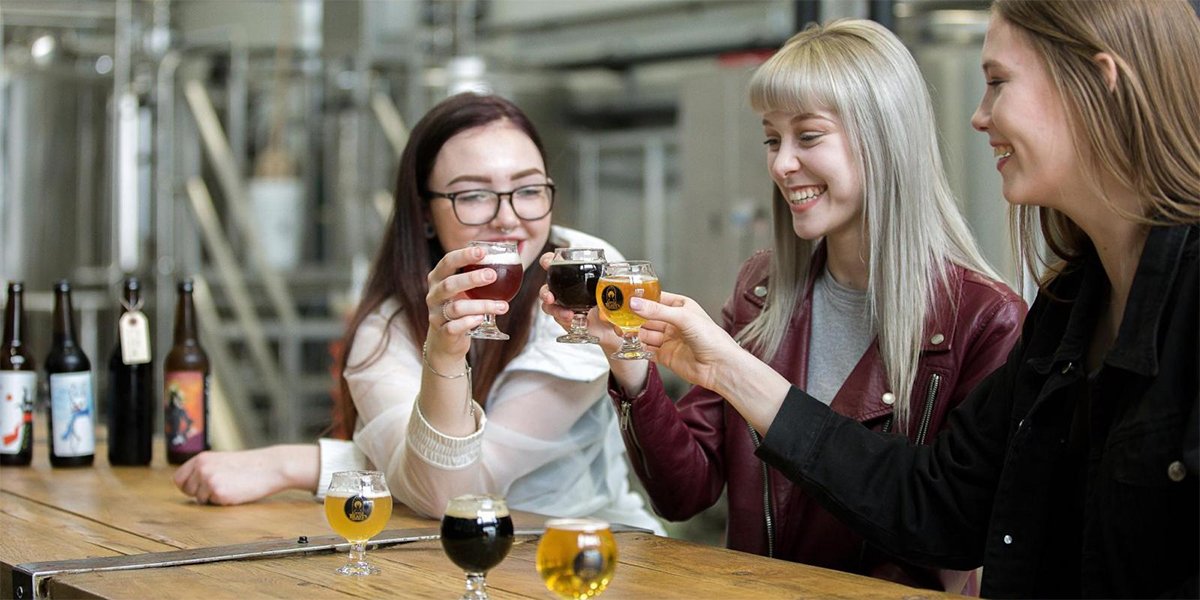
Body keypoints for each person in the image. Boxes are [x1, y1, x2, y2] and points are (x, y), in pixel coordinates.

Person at [609, 1, 1200, 598]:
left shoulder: (995, 314)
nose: (977, 116)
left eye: (997, 82)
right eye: (771, 140)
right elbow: (938, 504)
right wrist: (690, 368)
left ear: (1098, 83)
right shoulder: (1071, 309)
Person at [541, 19, 1024, 594]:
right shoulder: (761, 289)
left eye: (808, 136)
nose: (781, 165)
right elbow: (685, 494)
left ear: (883, 138)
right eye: (772, 139)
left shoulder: (985, 319)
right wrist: (629, 361)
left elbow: (949, 527)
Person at [173, 92, 663, 535]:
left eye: (529, 190)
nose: (509, 217)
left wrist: (303, 463)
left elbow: (457, 489)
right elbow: (436, 489)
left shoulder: (582, 277)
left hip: (591, 546)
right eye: (472, 195)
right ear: (425, 212)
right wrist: (445, 356)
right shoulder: (387, 326)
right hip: (457, 559)